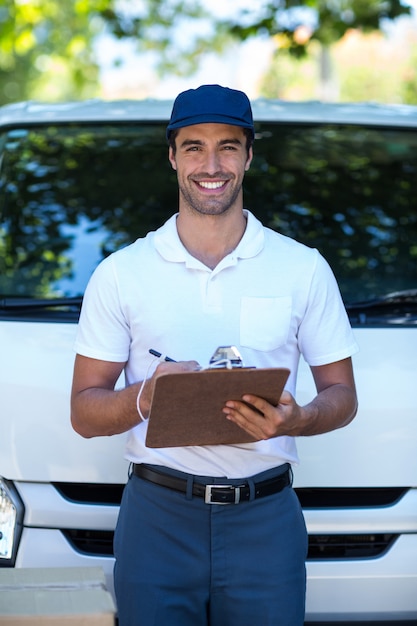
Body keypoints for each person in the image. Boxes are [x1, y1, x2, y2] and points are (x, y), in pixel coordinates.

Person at [71, 84, 358, 626]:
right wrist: (146, 396)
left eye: (228, 146)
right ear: (173, 156)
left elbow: (342, 395)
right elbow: (84, 413)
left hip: (266, 520)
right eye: (194, 146)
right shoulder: (121, 273)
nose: (212, 164)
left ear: (249, 156)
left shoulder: (303, 267)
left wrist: (301, 417)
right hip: (156, 519)